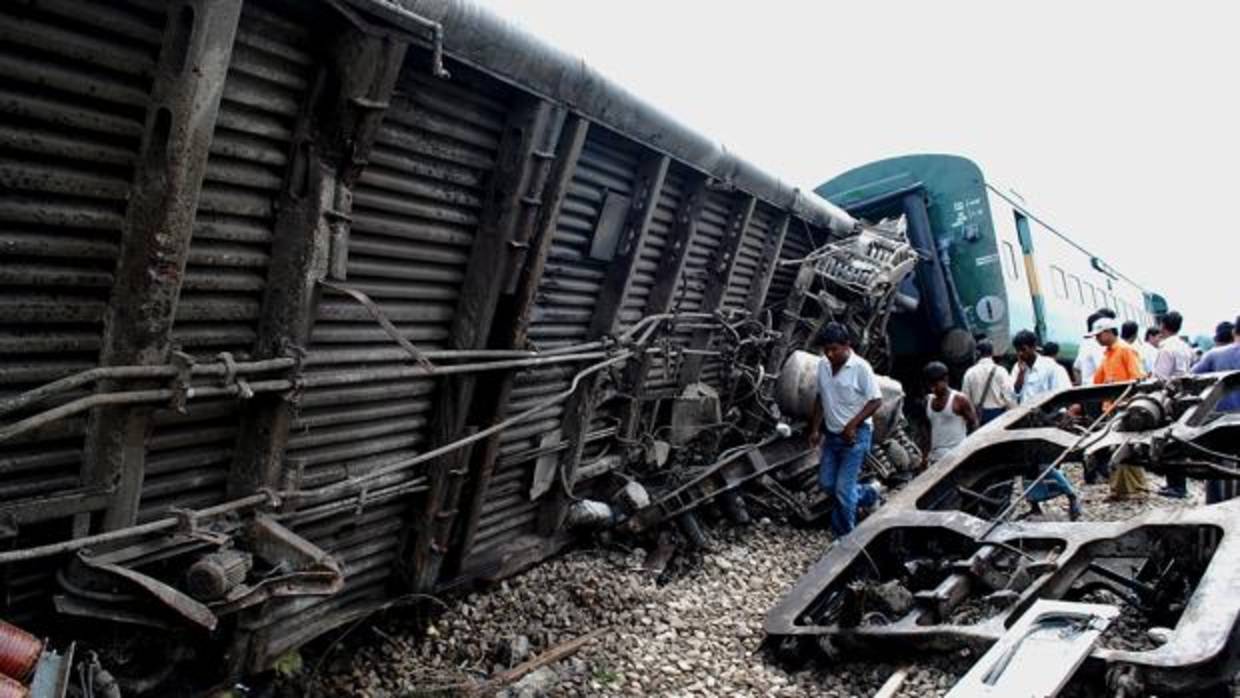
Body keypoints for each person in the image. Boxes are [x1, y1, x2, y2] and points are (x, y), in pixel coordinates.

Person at [807, 322, 884, 538]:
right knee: (827, 483)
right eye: (826, 349)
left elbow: (876, 401)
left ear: (847, 346)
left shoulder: (861, 368)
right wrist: (815, 429)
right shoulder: (823, 365)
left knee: (842, 489)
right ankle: (868, 494)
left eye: (834, 349)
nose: (830, 354)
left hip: (856, 436)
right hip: (832, 435)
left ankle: (844, 538)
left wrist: (852, 425)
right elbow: (821, 397)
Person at [1089, 317, 1148, 499]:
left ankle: (1134, 489)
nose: (1096, 339)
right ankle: (1120, 488)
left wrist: (1128, 401)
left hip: (1125, 407)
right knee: (1115, 446)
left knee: (1126, 448)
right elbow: (1098, 380)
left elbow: (1138, 378)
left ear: (1108, 332)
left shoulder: (1125, 350)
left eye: (1098, 335)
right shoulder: (1108, 354)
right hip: (1112, 406)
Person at [1192, 317, 1240, 504]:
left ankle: (1215, 511)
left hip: (1219, 424)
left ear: (1234, 332)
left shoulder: (1214, 355)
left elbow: (1190, 379)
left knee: (1216, 468)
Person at [923, 361, 978, 465]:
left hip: (957, 456)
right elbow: (926, 431)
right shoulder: (928, 401)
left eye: (935, 384)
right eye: (930, 384)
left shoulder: (959, 399)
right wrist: (925, 455)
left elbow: (974, 424)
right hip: (935, 458)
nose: (933, 388)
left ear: (946, 380)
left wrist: (968, 450)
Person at [962, 340, 1016, 425]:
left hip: (978, 418)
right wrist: (1014, 413)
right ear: (992, 353)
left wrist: (972, 420)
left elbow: (965, 399)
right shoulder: (1001, 371)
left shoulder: (969, 373)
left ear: (977, 353)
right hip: (999, 417)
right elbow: (1009, 395)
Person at [1012, 331, 1072, 405]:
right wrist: (1021, 374)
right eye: (1017, 350)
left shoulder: (1049, 366)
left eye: (1023, 349)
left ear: (1033, 347)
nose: (1020, 353)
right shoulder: (1017, 368)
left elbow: (1062, 391)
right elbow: (1015, 393)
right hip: (1024, 411)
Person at [1074, 308, 1117, 385]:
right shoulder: (1097, 343)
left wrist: (1080, 387)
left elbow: (1076, 368)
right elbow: (1104, 367)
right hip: (1099, 389)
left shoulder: (1085, 343)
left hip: (1089, 388)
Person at [1152, 311, 1193, 380]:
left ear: (1162, 325)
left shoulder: (1166, 349)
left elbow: (1160, 378)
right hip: (1185, 387)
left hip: (1171, 389)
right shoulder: (1185, 347)